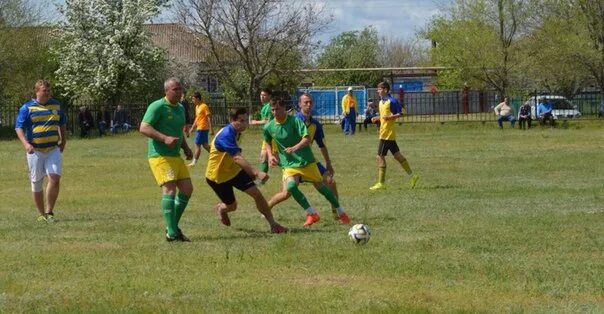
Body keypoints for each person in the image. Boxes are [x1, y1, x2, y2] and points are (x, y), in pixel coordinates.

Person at [264, 96, 349, 227]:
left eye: (277, 109)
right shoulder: (269, 126)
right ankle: (311, 213)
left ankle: (341, 212)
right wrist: (270, 156)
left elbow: (308, 139)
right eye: (273, 110)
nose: (275, 112)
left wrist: (294, 148)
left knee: (323, 186)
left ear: (285, 109)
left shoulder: (296, 121)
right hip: (289, 164)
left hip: (307, 161)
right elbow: (267, 141)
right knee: (290, 189)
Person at [205, 107, 288, 234]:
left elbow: (235, 157)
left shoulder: (237, 132)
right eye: (241, 121)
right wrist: (256, 172)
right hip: (217, 178)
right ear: (232, 120)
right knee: (232, 207)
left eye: (246, 120)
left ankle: (273, 225)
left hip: (234, 171)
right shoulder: (226, 134)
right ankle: (222, 209)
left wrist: (248, 171)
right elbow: (237, 158)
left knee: (257, 195)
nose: (245, 124)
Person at [139, 78, 194, 242]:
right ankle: (172, 232)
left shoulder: (180, 108)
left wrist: (185, 147)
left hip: (175, 155)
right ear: (167, 91)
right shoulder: (157, 106)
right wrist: (164, 138)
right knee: (170, 189)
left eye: (180, 89)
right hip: (159, 155)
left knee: (187, 189)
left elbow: (179, 131)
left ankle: (172, 227)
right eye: (176, 89)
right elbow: (144, 127)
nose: (179, 92)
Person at [15, 80, 67, 222]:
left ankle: (49, 212)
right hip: (35, 151)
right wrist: (26, 144)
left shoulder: (56, 105)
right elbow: (18, 127)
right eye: (44, 90)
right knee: (37, 182)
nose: (47, 93)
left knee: (55, 179)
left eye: (49, 90)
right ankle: (41, 214)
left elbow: (62, 123)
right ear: (37, 91)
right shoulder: (27, 108)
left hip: (52, 149)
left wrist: (64, 141)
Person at [369, 81, 419, 190]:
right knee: (397, 156)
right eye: (377, 89)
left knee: (380, 156)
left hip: (387, 134)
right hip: (385, 133)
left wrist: (391, 118)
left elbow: (402, 112)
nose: (378, 91)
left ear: (385, 90)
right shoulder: (381, 102)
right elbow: (384, 116)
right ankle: (413, 176)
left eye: (379, 89)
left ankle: (381, 183)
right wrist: (377, 118)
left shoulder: (392, 101)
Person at [250, 88, 273, 173]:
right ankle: (262, 178)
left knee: (267, 156)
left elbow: (268, 121)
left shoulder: (269, 107)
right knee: (264, 156)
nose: (262, 97)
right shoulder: (265, 106)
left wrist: (256, 122)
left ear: (269, 96)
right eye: (261, 95)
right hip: (268, 135)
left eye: (264, 95)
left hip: (273, 135)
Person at [188, 92, 214, 167]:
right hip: (199, 128)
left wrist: (211, 129)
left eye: (193, 99)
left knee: (197, 145)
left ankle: (194, 162)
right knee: (205, 145)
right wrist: (192, 127)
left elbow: (209, 117)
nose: (192, 100)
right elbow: (197, 118)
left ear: (198, 99)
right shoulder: (197, 107)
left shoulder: (204, 106)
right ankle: (217, 153)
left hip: (202, 128)